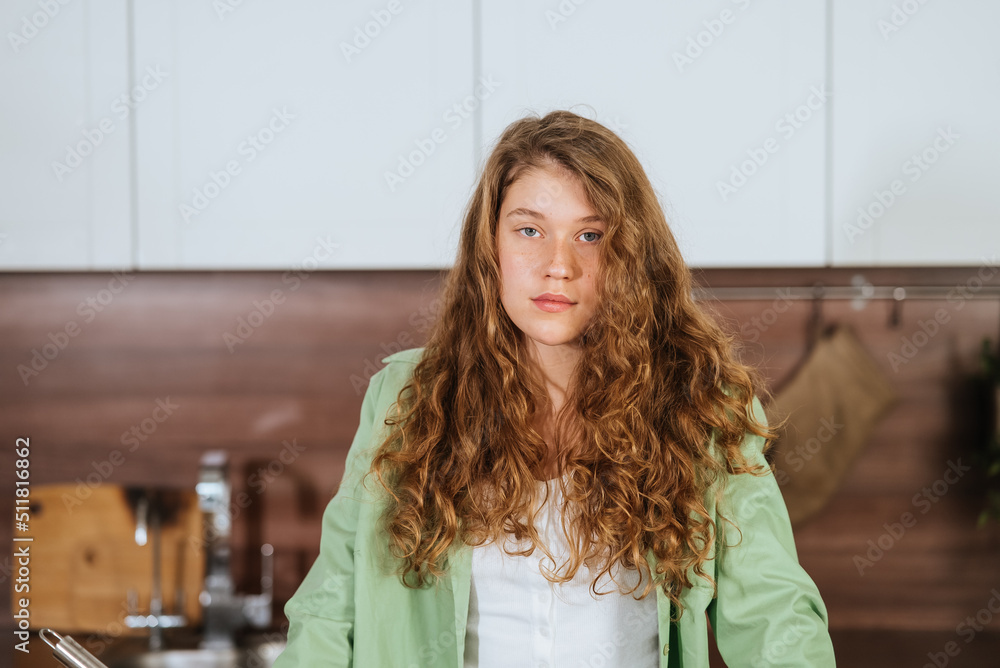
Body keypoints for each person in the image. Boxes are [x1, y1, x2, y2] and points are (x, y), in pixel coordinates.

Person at [272, 110, 837, 667]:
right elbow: (331, 610)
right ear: (488, 247)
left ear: (630, 256)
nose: (557, 265)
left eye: (590, 235)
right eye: (529, 230)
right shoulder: (407, 397)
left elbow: (774, 612)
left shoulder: (702, 403)